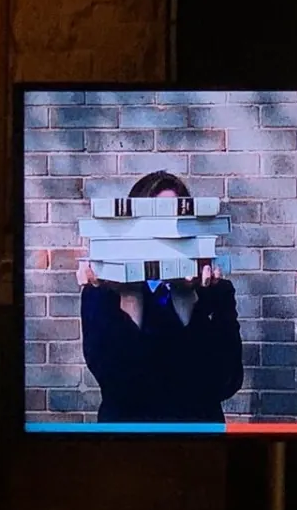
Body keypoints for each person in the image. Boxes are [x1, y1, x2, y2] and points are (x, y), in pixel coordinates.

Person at [78, 171, 244, 423]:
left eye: (175, 223)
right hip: (126, 436)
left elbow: (225, 382)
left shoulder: (215, 291)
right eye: (155, 224)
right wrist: (130, 295)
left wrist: (186, 300)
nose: (167, 237)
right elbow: (115, 382)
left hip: (197, 435)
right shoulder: (103, 291)